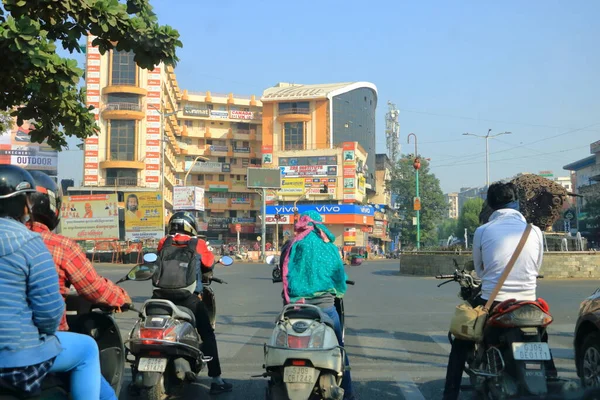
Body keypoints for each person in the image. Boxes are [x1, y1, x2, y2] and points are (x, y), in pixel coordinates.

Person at [442, 182, 555, 400]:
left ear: (491, 205)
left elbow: (481, 269)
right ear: (516, 203)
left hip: (494, 302)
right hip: (530, 303)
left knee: (460, 342)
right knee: (541, 339)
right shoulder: (535, 231)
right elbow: (537, 267)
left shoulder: (483, 231)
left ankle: (450, 395)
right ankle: (551, 375)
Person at [0, 165, 103, 400]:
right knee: (88, 349)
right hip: (17, 364)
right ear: (23, 204)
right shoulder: (31, 243)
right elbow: (49, 314)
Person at [27, 171, 131, 400]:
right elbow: (93, 288)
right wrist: (122, 298)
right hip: (39, 344)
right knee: (87, 351)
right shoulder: (58, 245)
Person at [153, 211, 232, 395]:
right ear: (191, 226)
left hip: (160, 297)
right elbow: (208, 264)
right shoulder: (198, 243)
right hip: (188, 299)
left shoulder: (163, 242)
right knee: (207, 334)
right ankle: (216, 379)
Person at [280, 210, 354, 400]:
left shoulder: (293, 244)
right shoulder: (328, 246)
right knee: (339, 347)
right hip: (326, 306)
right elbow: (338, 274)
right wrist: (338, 287)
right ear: (319, 224)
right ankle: (349, 394)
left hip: (296, 307)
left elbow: (284, 269)